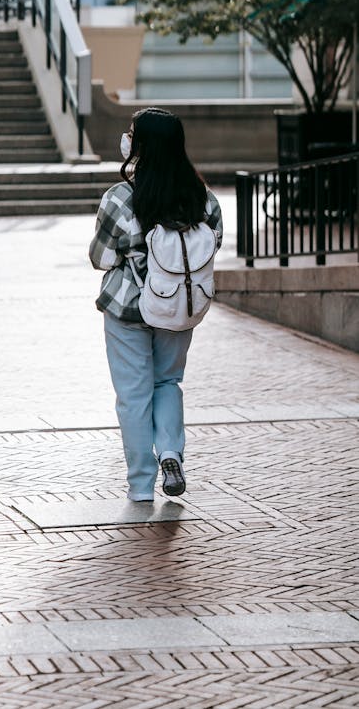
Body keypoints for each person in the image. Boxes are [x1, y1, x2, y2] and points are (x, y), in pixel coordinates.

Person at [89, 107, 223, 502]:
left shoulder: (120, 198)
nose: (126, 137)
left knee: (133, 395)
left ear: (141, 145)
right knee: (168, 382)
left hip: (128, 306)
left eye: (131, 132)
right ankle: (170, 451)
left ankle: (141, 486)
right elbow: (210, 246)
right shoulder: (203, 199)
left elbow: (101, 257)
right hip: (178, 308)